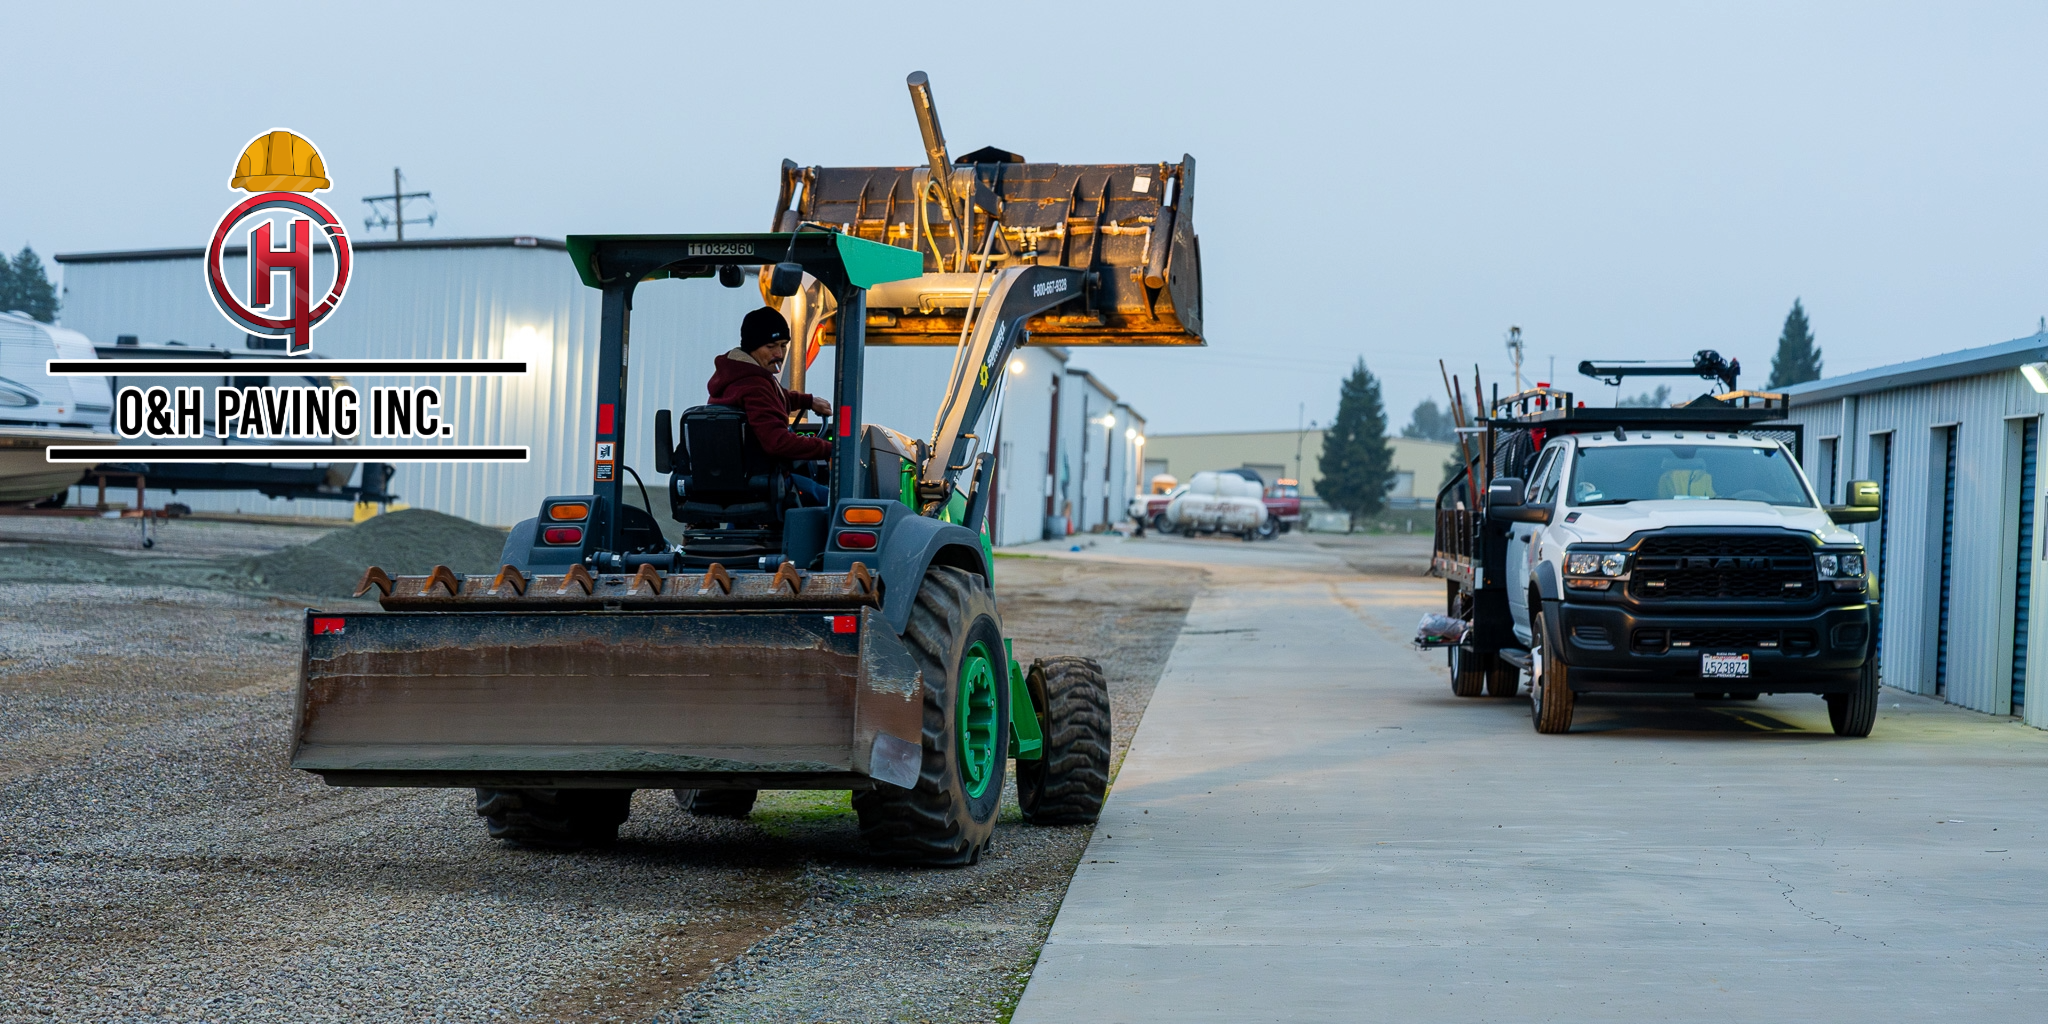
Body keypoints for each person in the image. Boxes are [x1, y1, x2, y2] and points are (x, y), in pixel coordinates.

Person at [707, 306, 833, 505]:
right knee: (831, 500)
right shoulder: (755, 385)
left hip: (736, 482)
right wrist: (829, 450)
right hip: (763, 483)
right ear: (752, 347)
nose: (779, 354)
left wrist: (808, 401)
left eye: (783, 346)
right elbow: (778, 443)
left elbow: (776, 397)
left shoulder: (734, 377)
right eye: (771, 346)